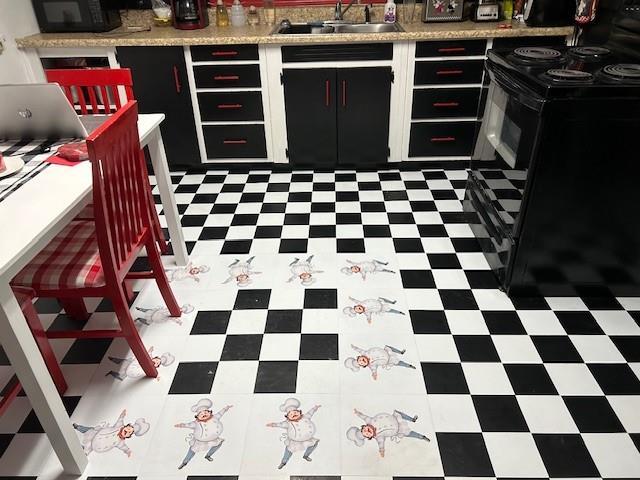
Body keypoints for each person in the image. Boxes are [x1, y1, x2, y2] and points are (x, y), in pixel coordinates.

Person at [346, 408, 430, 458]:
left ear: (364, 426)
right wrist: (381, 451)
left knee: (398, 413)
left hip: (394, 418)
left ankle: (412, 419)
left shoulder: (369, 420)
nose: (366, 431)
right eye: (366, 434)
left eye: (364, 429)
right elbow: (381, 444)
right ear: (369, 437)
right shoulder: (378, 436)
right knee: (409, 433)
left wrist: (357, 413)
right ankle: (421, 436)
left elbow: (363, 416)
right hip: (398, 429)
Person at [175, 398, 232, 469]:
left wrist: (225, 408)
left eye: (206, 412)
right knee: (192, 450)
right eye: (201, 414)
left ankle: (208, 455)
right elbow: (188, 425)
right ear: (197, 416)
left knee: (218, 444)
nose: (204, 414)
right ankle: (185, 462)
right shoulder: (196, 423)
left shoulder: (215, 417)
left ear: (210, 412)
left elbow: (220, 413)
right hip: (200, 441)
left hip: (213, 439)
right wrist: (182, 425)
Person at [266, 397, 321, 469]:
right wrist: (273, 424)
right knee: (288, 450)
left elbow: (310, 412)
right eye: (291, 414)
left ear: (300, 412)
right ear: (287, 417)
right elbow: (280, 424)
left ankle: (306, 455)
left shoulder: (305, 417)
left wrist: (315, 408)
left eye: (295, 412)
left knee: (314, 444)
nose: (294, 414)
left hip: (307, 439)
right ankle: (283, 462)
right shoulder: (287, 423)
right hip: (295, 441)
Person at [72, 409, 149, 457]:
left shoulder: (120, 441)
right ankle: (78, 427)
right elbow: (120, 420)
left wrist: (128, 451)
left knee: (90, 447)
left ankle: (84, 451)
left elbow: (123, 447)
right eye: (128, 429)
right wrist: (122, 415)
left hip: (102, 445)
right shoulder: (119, 426)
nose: (127, 431)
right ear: (125, 426)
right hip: (100, 434)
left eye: (129, 432)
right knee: (91, 430)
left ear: (129, 436)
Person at [344, 344, 416, 380]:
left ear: (359, 357)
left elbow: (358, 350)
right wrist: (374, 374)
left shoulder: (364, 353)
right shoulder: (371, 365)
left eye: (359, 360)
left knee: (388, 347)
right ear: (364, 366)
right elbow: (374, 370)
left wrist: (354, 347)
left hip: (385, 352)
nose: (361, 361)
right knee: (398, 363)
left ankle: (400, 352)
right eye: (361, 363)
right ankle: (408, 365)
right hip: (388, 360)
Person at [105, 346, 175, 381]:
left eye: (157, 363)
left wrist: (157, 377)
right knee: (127, 361)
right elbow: (149, 354)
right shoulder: (149, 359)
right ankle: (114, 360)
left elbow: (155, 373)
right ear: (153, 358)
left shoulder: (151, 368)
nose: (156, 362)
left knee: (123, 374)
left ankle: (112, 372)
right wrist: (150, 350)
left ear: (156, 366)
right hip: (134, 365)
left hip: (134, 371)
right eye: (156, 360)